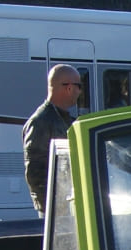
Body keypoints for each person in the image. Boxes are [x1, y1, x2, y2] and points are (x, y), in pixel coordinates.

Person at [21, 64, 81, 214]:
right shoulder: (41, 121)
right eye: (78, 86)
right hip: (55, 209)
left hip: (65, 203)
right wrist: (51, 208)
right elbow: (35, 172)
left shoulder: (63, 118)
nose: (80, 92)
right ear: (68, 88)